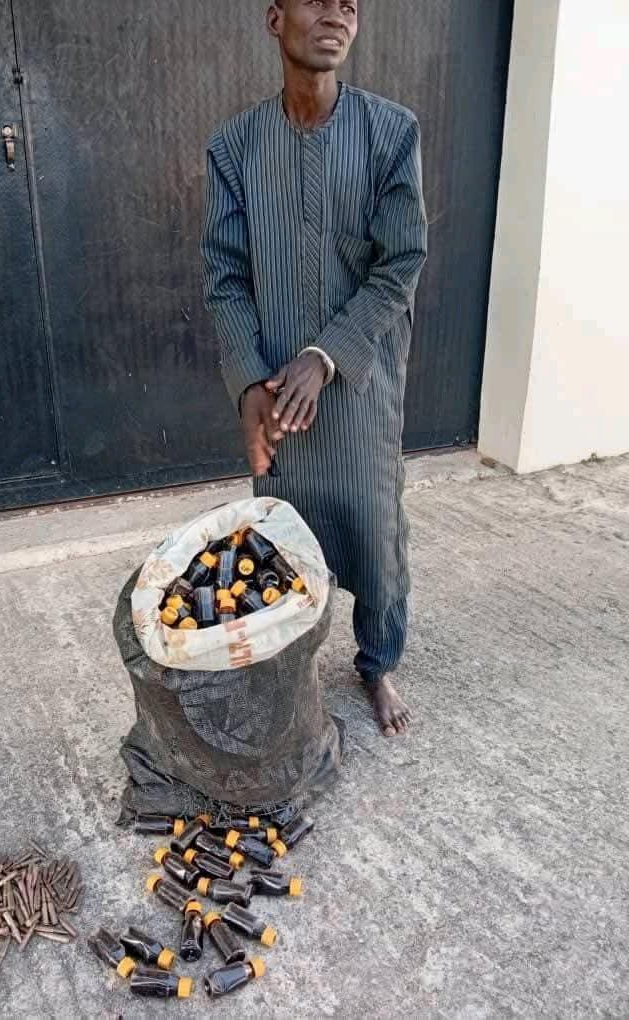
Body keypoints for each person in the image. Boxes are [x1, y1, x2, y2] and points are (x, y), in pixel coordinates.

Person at [201, 0, 428, 737]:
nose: (337, 13)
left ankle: (378, 662)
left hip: (359, 381)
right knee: (284, 531)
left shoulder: (391, 134)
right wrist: (247, 384)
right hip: (276, 388)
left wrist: (327, 354)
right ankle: (288, 661)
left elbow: (401, 264)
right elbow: (225, 275)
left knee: (373, 521)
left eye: (351, 4)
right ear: (275, 19)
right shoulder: (235, 148)